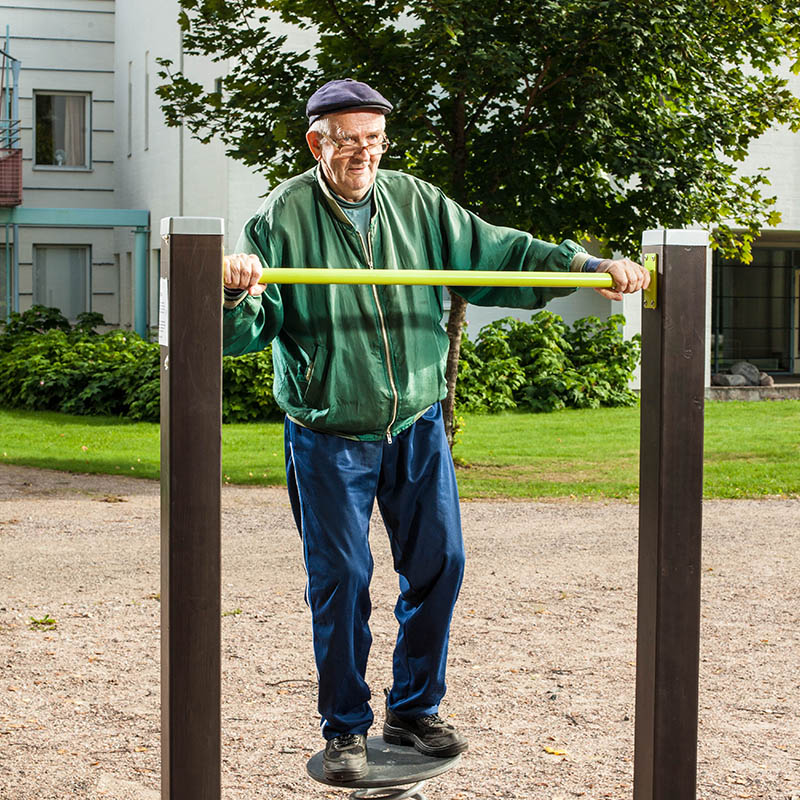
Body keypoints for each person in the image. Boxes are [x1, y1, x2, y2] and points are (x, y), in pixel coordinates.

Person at [221, 78, 650, 782]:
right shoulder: (281, 217)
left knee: (440, 566)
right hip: (331, 434)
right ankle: (346, 729)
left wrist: (588, 266)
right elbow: (250, 329)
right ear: (316, 142)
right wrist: (237, 289)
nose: (363, 152)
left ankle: (414, 710)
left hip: (416, 424)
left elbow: (497, 253)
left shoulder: (416, 202)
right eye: (347, 140)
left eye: (373, 140)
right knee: (342, 581)